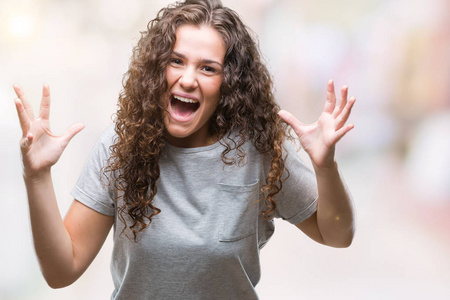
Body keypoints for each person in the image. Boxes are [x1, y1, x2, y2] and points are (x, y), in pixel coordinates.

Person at [13, 0, 355, 299]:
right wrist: (37, 176)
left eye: (208, 68)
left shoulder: (260, 150)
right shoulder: (120, 147)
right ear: (157, 69)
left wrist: (326, 167)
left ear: (229, 84)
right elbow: (62, 272)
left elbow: (337, 234)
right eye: (176, 61)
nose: (188, 79)